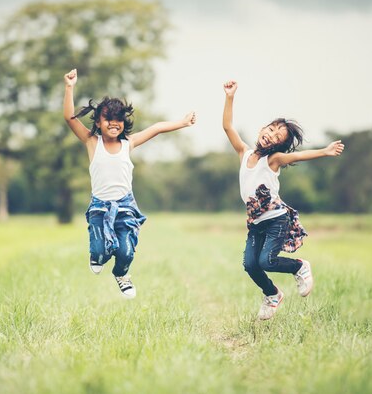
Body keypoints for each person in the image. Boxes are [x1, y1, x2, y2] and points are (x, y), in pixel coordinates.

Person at [63, 69, 196, 299]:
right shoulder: (91, 142)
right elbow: (69, 118)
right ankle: (96, 255)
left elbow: (156, 128)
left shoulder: (129, 144)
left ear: (124, 122)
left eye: (119, 120)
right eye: (108, 119)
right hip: (100, 207)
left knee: (125, 251)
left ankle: (121, 274)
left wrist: (182, 123)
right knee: (100, 252)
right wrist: (69, 87)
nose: (114, 124)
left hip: (125, 206)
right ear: (98, 121)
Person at [221, 80, 344, 320]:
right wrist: (230, 97)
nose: (271, 136)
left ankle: (300, 267)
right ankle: (272, 294)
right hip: (256, 223)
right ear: (262, 129)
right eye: (271, 129)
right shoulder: (243, 153)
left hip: (277, 220)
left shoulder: (274, 159)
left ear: (279, 146)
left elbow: (299, 155)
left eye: (278, 137)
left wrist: (324, 151)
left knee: (267, 260)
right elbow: (227, 126)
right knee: (251, 265)